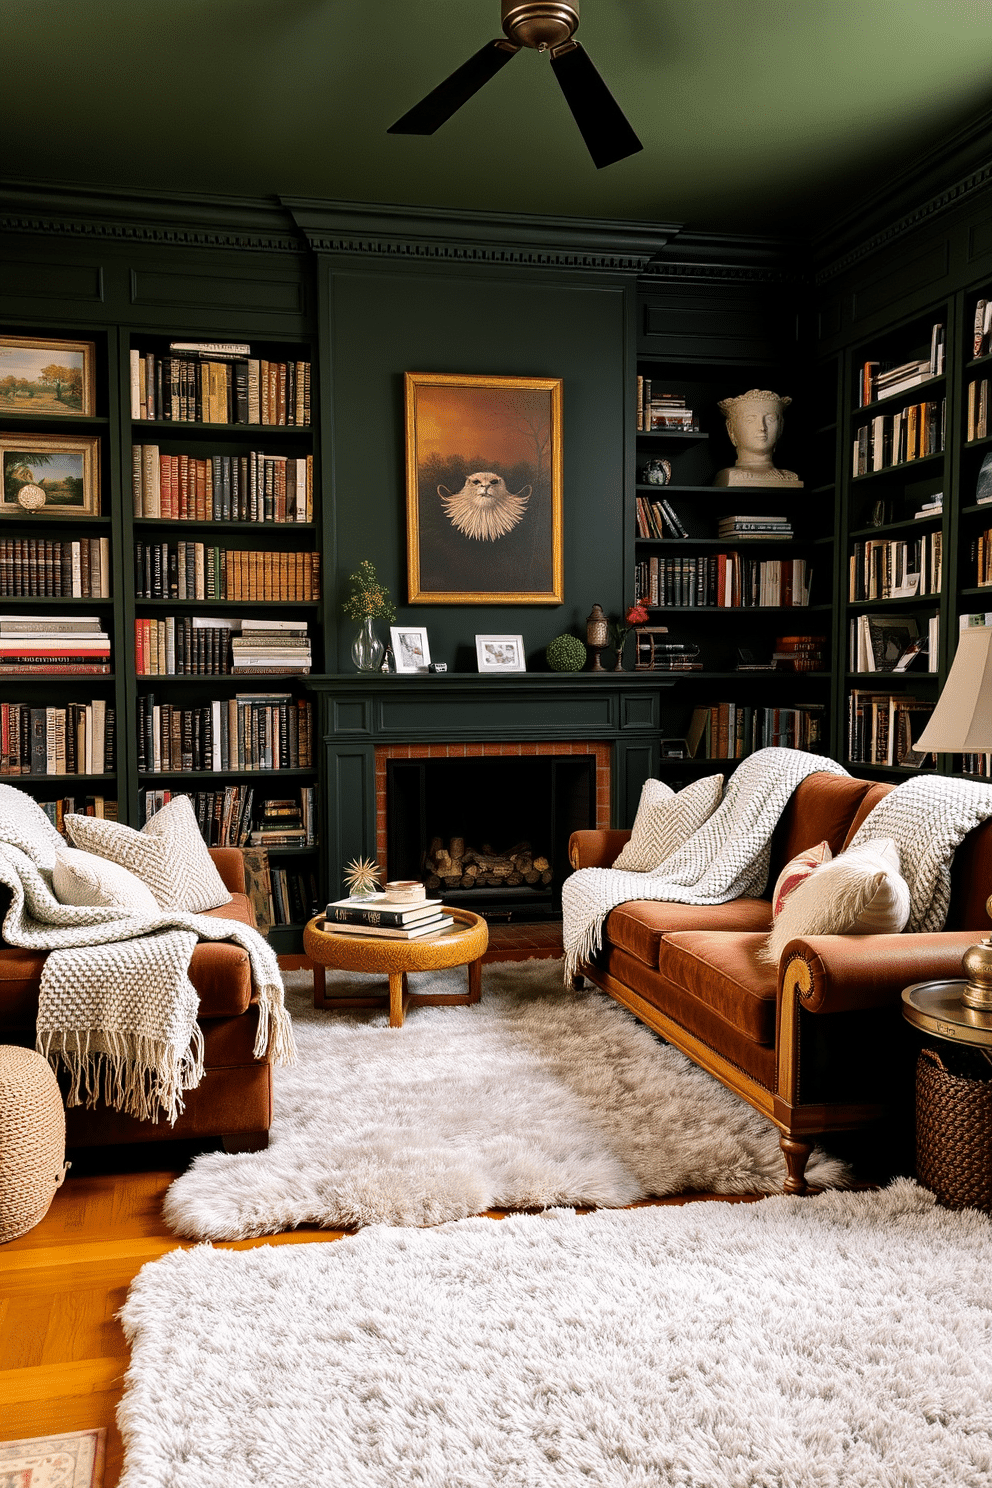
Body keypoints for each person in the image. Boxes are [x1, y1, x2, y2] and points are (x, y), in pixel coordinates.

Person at [712, 389, 802, 487]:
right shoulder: (729, 475)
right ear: (731, 429)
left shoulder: (789, 477)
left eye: (770, 419)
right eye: (750, 420)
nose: (762, 427)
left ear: (780, 427)